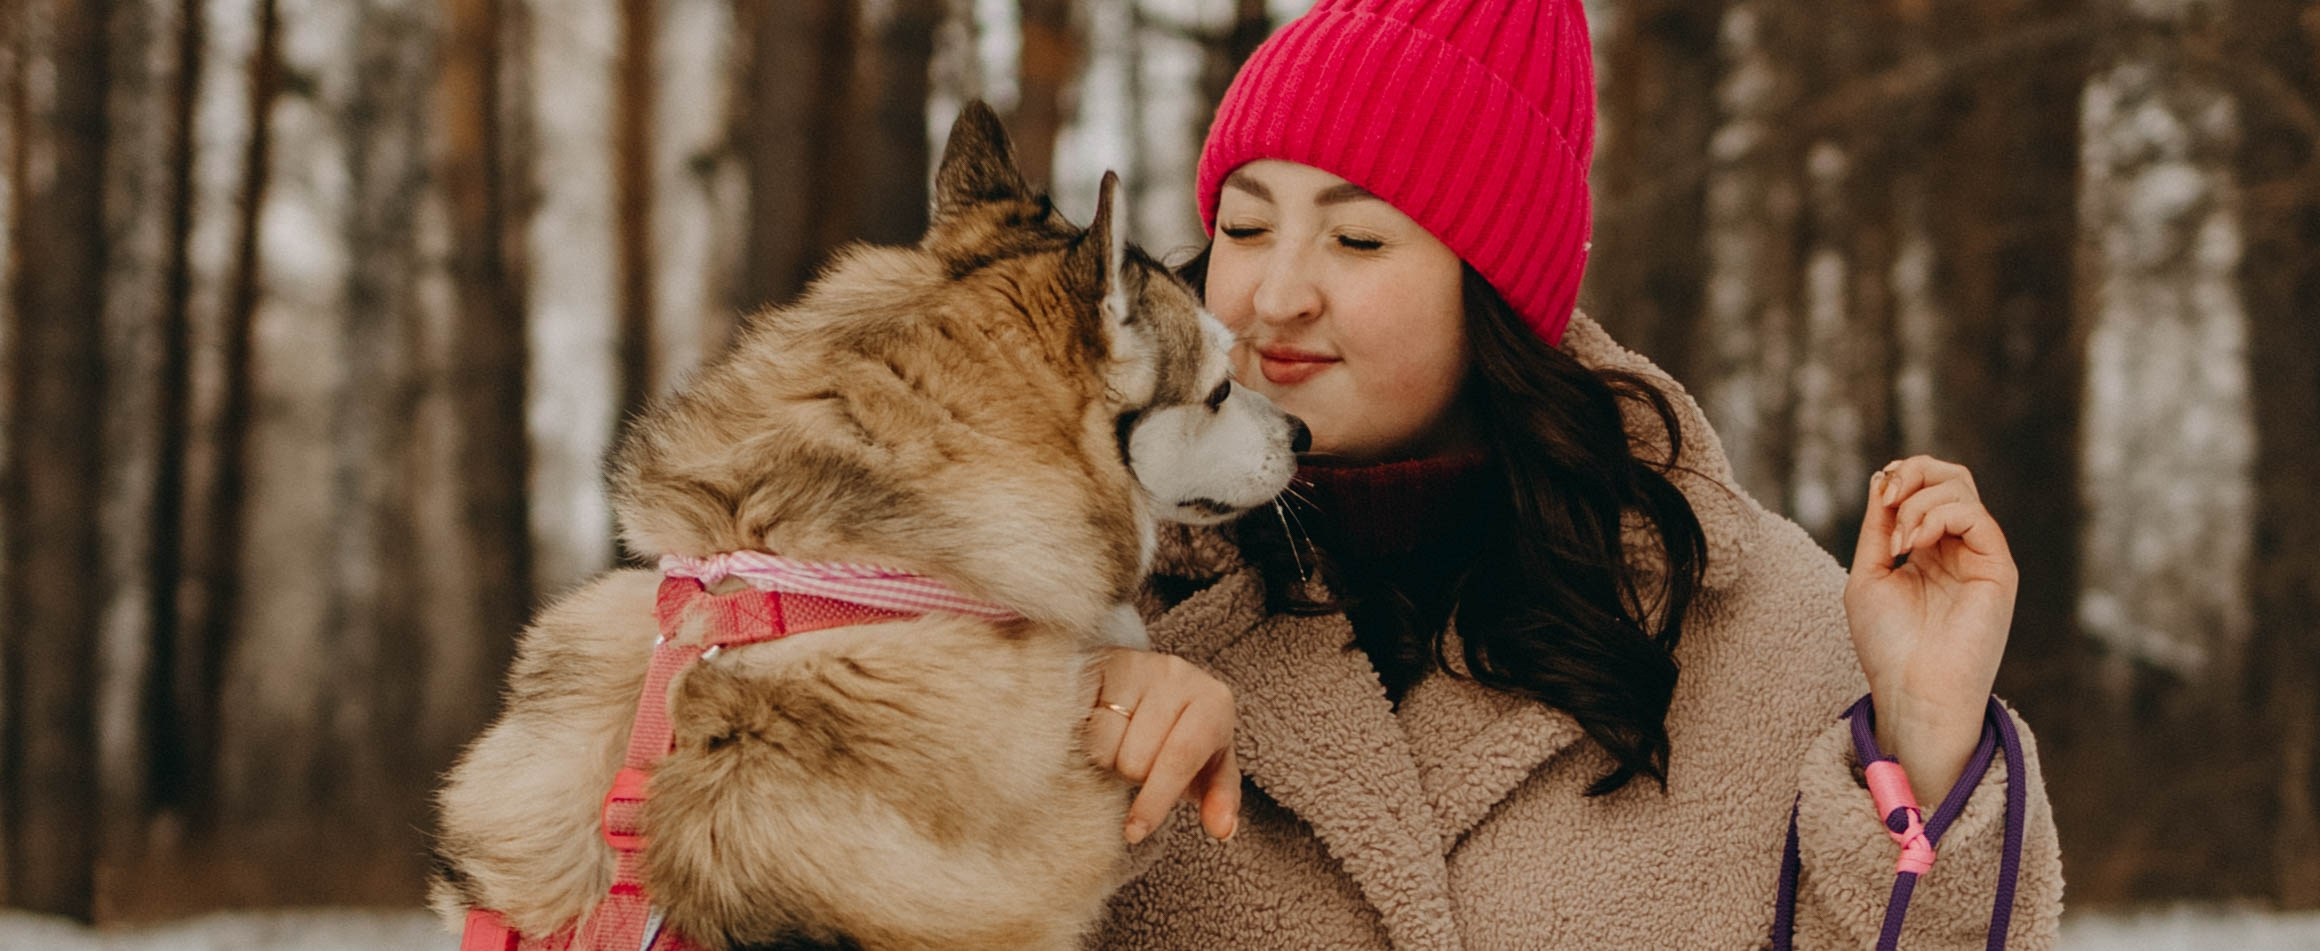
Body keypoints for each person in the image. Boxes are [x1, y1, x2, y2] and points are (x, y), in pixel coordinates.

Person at [1075, 0, 2066, 947]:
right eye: (1245, 229)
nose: (1275, 295)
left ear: (1494, 285)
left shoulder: (1762, 637)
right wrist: (1051, 738)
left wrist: (1925, 750)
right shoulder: (1081, 593)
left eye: (1358, 238)